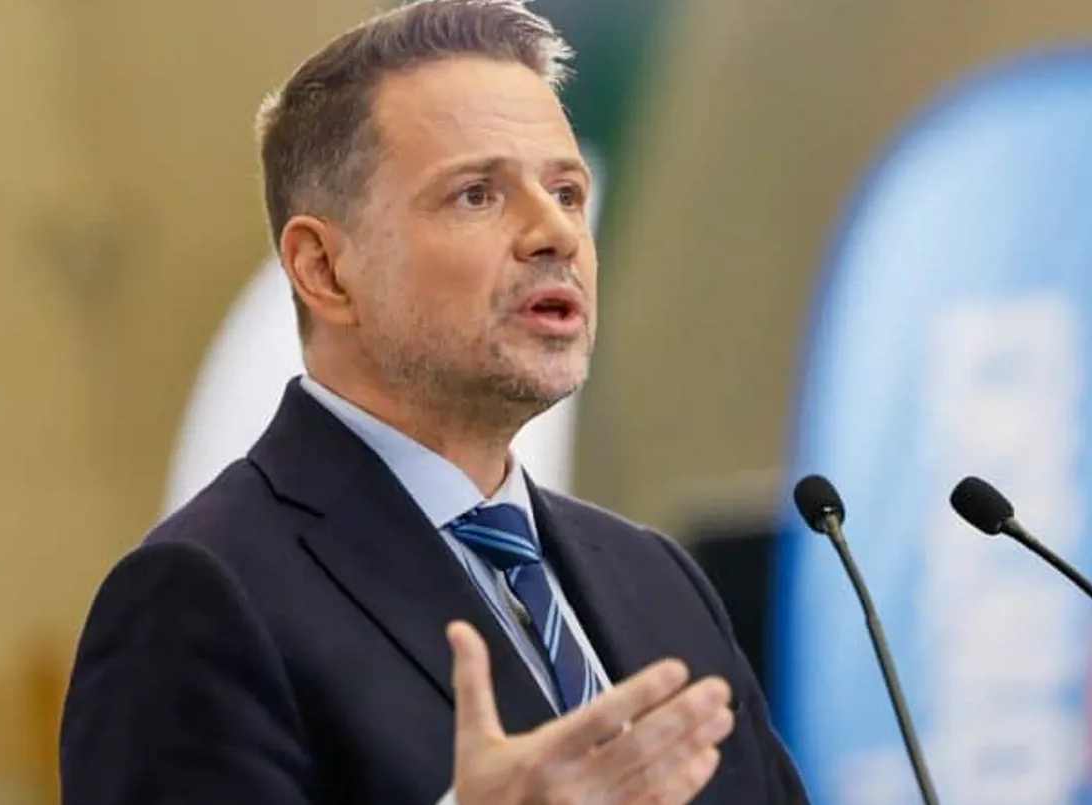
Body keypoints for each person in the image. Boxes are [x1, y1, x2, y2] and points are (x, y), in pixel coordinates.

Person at [58, 1, 810, 803]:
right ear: (323, 269)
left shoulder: (657, 577)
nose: (555, 233)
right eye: (477, 194)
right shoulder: (198, 595)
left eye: (566, 191)